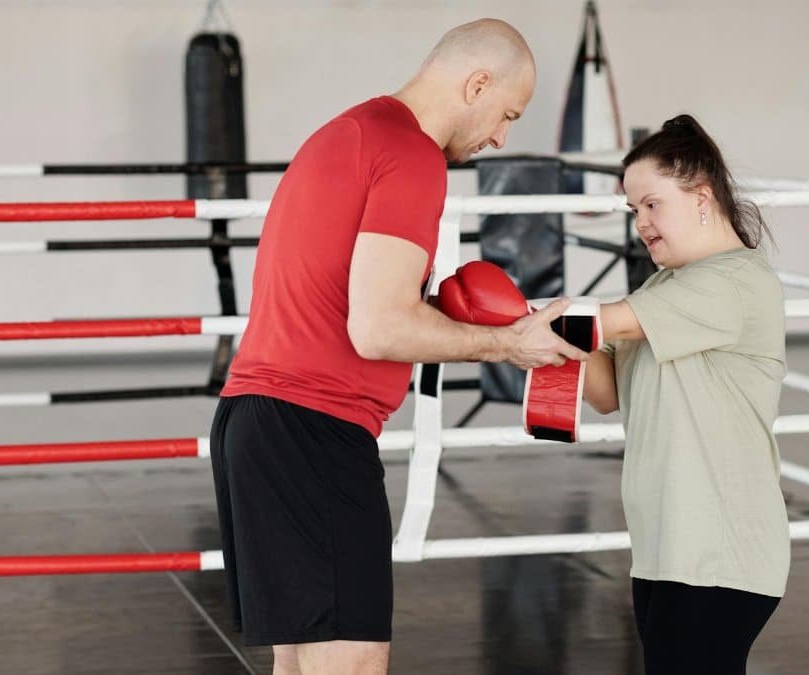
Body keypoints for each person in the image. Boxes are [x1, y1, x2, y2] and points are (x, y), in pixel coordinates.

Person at [210, 19, 587, 675]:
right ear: (476, 83)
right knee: (352, 662)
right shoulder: (411, 155)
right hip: (313, 431)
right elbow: (378, 328)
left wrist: (439, 310)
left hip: (256, 422)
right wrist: (506, 343)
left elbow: (347, 300)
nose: (501, 136)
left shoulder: (345, 133)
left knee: (302, 663)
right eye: (507, 113)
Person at [586, 114, 789, 675]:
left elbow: (602, 323)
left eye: (652, 205)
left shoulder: (736, 280)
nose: (640, 224)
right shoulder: (662, 285)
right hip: (665, 547)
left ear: (701, 196)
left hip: (718, 551)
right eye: (633, 212)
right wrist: (526, 332)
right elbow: (605, 392)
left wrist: (516, 323)